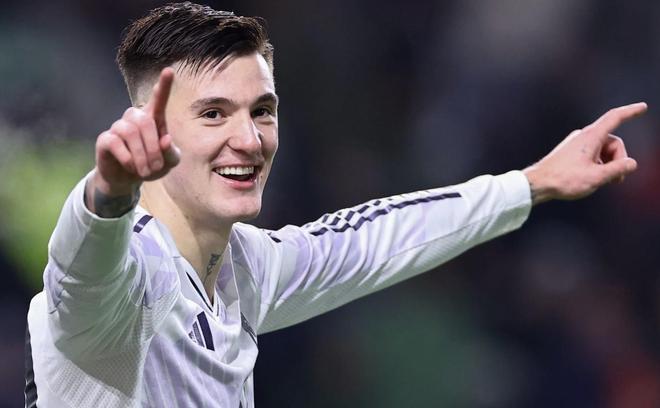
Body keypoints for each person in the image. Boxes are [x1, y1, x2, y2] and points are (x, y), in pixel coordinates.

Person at [24, 2, 646, 407]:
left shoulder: (247, 268)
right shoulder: (121, 288)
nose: (250, 139)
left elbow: (376, 237)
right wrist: (107, 194)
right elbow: (81, 269)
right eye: (213, 114)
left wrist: (531, 182)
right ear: (153, 127)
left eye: (261, 111)